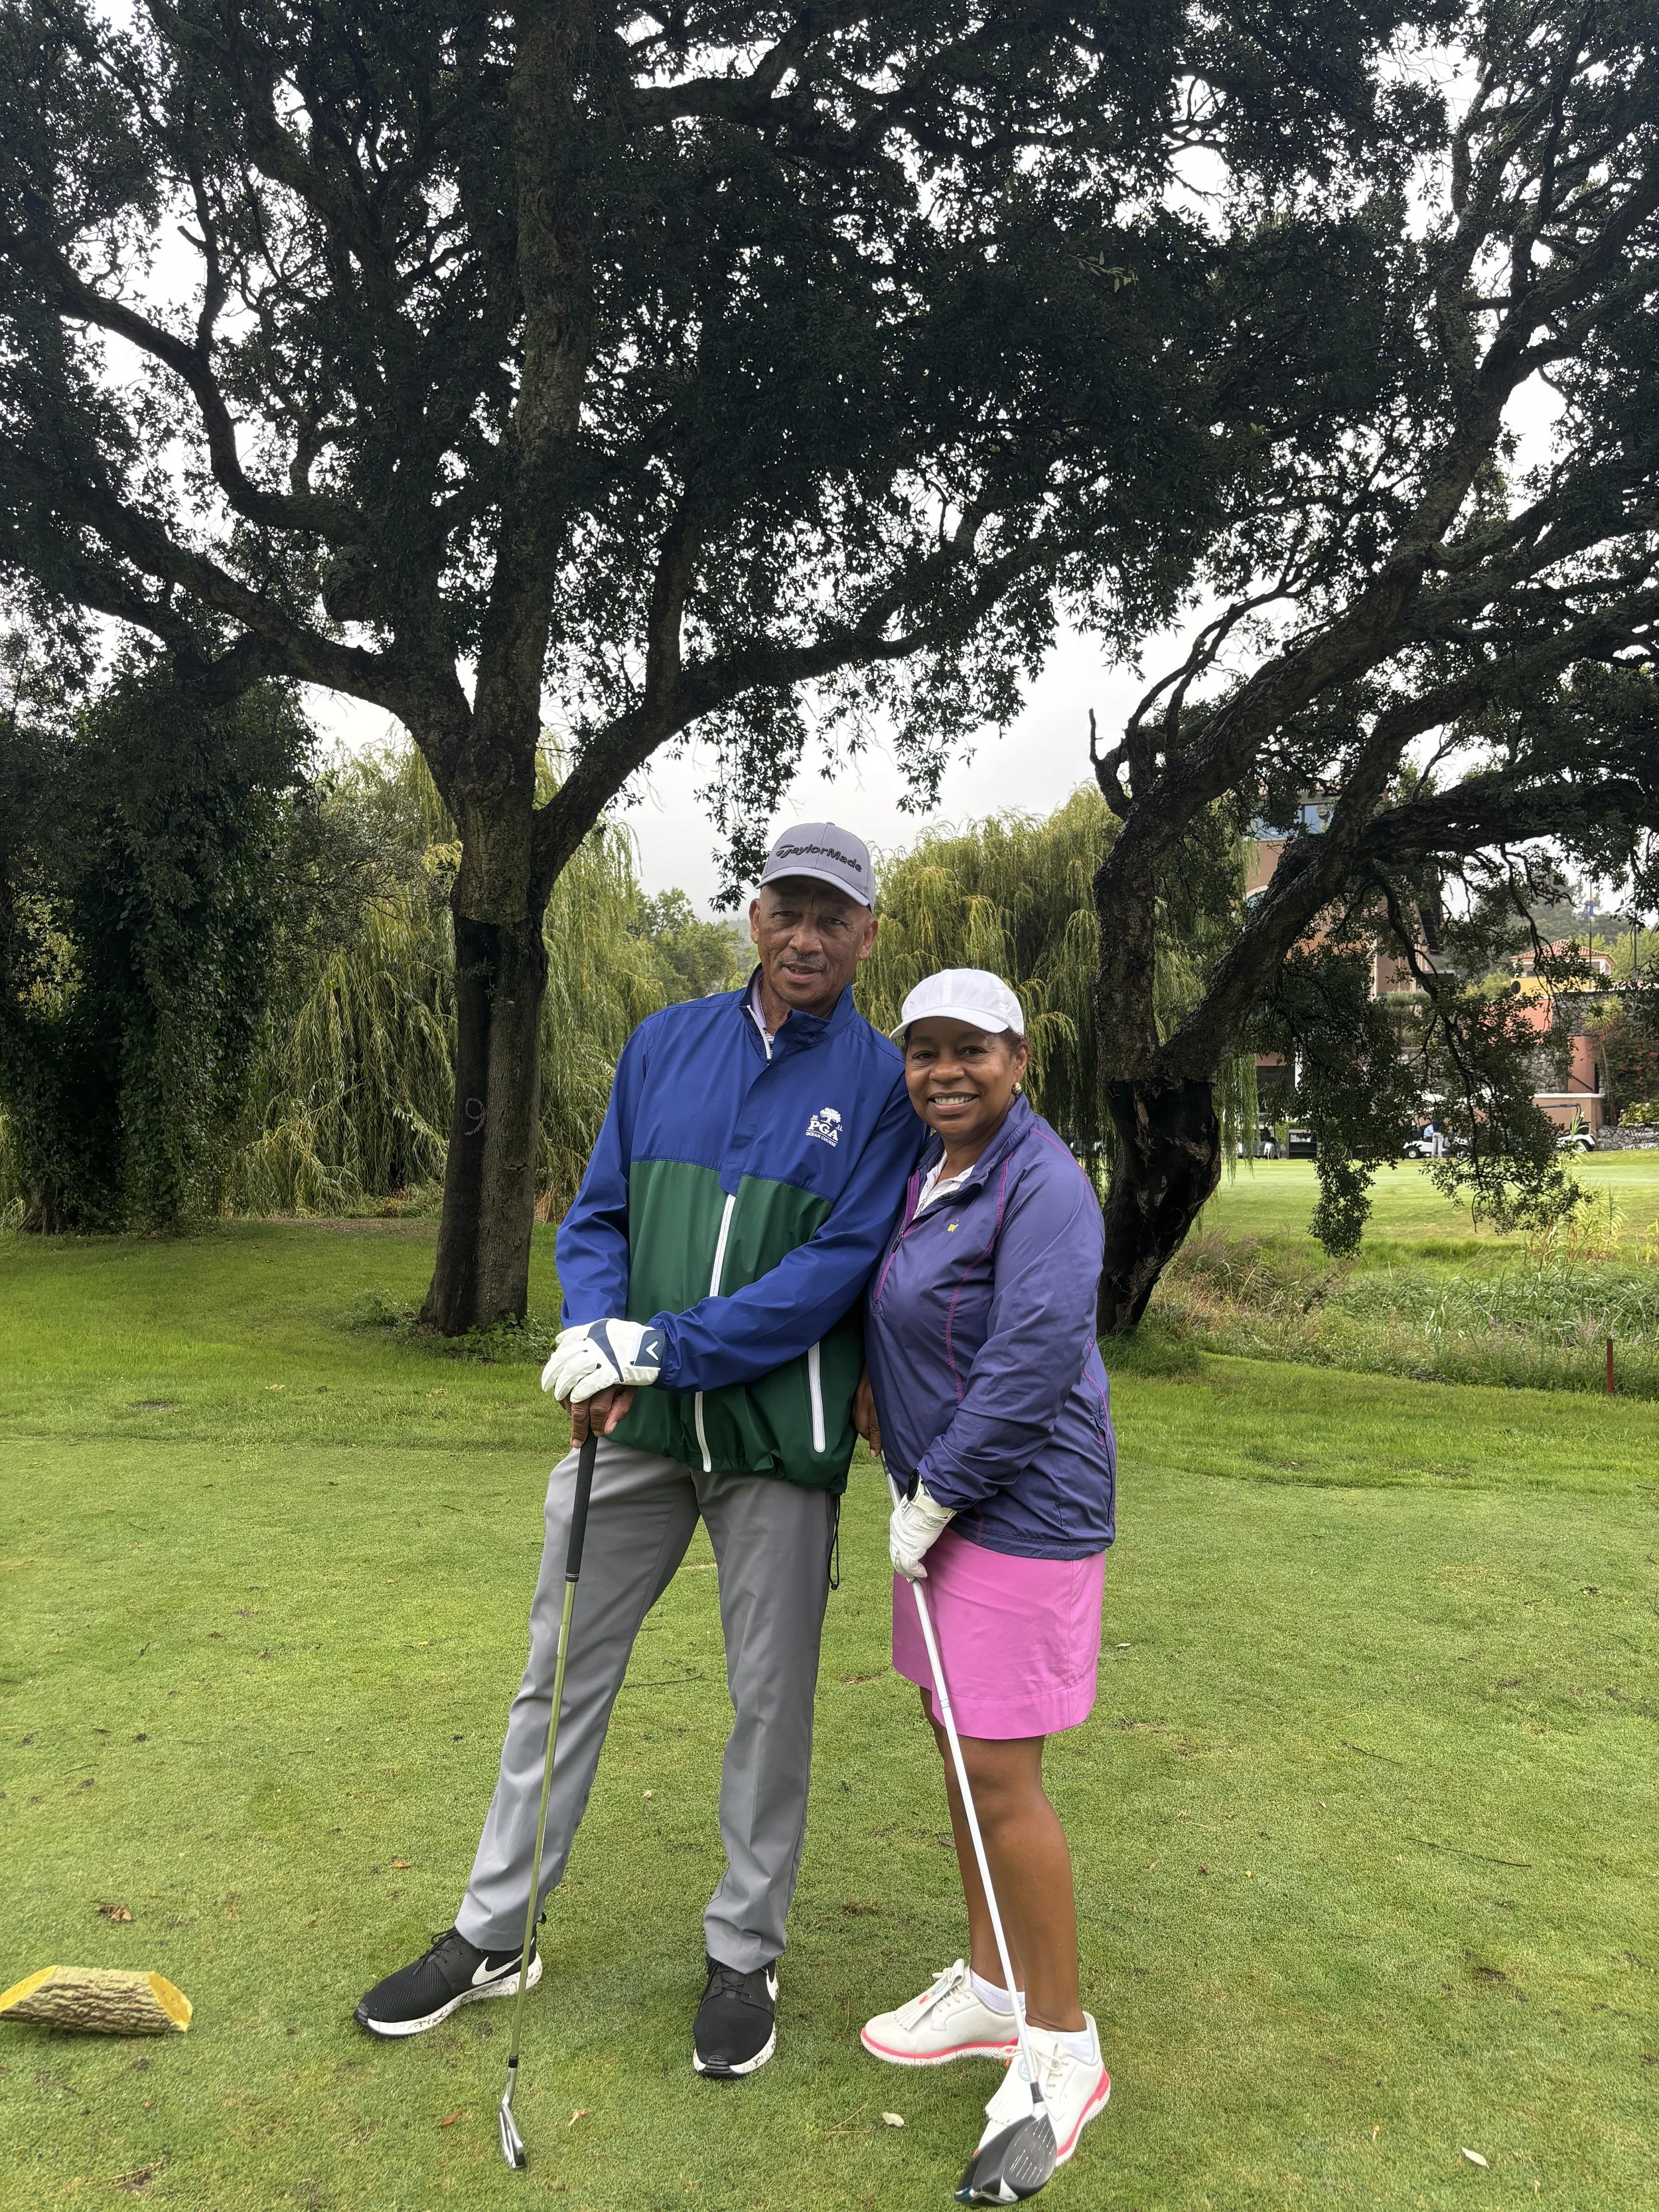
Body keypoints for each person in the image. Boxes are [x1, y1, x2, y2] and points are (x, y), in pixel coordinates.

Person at [355, 822, 922, 2079]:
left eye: (834, 916)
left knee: (770, 1708)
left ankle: (744, 1949)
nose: (807, 936)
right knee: (556, 1677)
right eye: (789, 907)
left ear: (867, 934)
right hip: (638, 1434)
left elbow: (832, 1273)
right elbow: (599, 1213)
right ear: (756, 912)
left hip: (779, 1437)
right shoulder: (666, 1044)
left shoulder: (885, 1086)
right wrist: (597, 1340)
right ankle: (495, 1932)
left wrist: (660, 1349)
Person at [853, 968, 1116, 2174]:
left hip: (1016, 1514)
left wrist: (939, 1489)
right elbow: (913, 1303)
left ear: (1020, 1058)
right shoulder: (934, 1168)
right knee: (957, 1750)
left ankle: (1064, 2048)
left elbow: (1031, 1358)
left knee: (1003, 1779)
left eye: (972, 1050)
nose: (944, 1071)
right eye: (924, 1051)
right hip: (942, 1513)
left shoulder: (1046, 1184)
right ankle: (997, 1984)